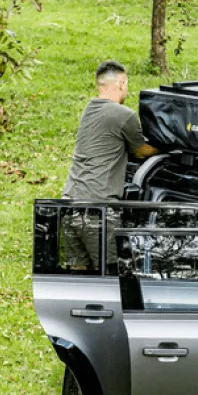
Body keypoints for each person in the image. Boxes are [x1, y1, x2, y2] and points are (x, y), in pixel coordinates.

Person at [61, 60, 158, 272]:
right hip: (98, 209)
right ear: (122, 83)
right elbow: (142, 151)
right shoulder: (124, 115)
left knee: (77, 274)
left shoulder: (89, 110)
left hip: (70, 204)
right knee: (109, 274)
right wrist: (171, 147)